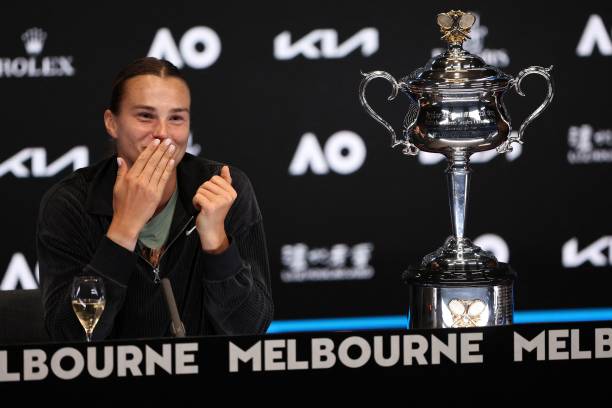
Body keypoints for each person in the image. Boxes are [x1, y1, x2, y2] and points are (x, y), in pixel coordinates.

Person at [37, 57, 273, 340]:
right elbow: (69, 337)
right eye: (145, 116)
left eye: (176, 117)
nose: (162, 133)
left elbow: (250, 330)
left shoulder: (223, 188)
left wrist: (217, 244)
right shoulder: (70, 203)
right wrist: (123, 230)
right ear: (112, 123)